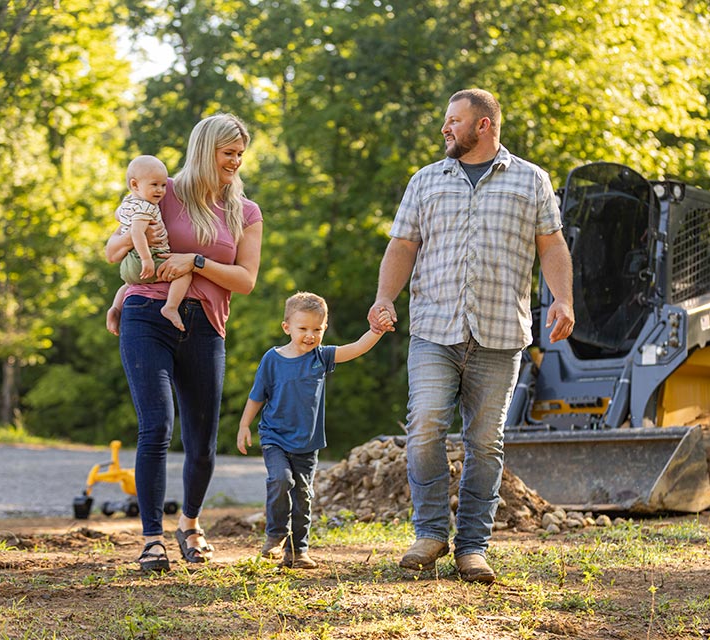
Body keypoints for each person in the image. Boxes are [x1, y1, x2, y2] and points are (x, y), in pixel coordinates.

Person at [367, 88, 575, 583]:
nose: (445, 128)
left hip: (501, 332)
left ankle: (473, 547)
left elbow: (552, 246)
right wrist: (383, 298)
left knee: (485, 442)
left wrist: (563, 298)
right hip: (435, 328)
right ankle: (430, 532)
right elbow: (402, 245)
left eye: (454, 120)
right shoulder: (426, 180)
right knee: (424, 426)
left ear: (483, 125)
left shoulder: (531, 180)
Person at [104, 113, 264, 572]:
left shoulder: (244, 211)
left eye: (240, 154)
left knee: (202, 440)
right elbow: (113, 250)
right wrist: (134, 244)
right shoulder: (161, 190)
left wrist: (193, 260)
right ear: (204, 149)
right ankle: (152, 537)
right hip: (147, 314)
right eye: (227, 152)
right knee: (156, 426)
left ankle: (190, 524)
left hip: (206, 323)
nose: (235, 161)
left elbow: (246, 279)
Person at [237, 292, 392, 569]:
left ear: (324, 329)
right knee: (281, 480)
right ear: (287, 328)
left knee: (303, 495)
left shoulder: (321, 357)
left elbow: (355, 348)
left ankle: (298, 552)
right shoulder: (272, 359)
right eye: (303, 329)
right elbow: (257, 395)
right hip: (275, 438)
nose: (310, 335)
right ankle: (275, 536)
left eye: (317, 329)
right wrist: (244, 425)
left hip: (307, 443)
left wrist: (375, 332)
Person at [106, 155, 191, 335]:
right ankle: (171, 307)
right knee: (184, 273)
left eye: (163, 185)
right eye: (154, 185)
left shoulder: (128, 202)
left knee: (129, 284)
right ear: (135, 185)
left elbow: (117, 216)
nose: (160, 190)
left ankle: (115, 308)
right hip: (147, 258)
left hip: (128, 264)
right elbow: (137, 232)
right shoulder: (147, 207)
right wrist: (146, 259)